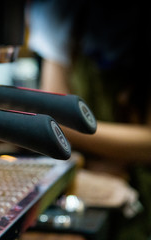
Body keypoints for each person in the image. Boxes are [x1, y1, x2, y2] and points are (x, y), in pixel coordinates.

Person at [27, 0, 151, 239]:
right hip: (92, 174)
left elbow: (148, 144)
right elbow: (54, 115)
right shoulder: (62, 15)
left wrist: (67, 132)